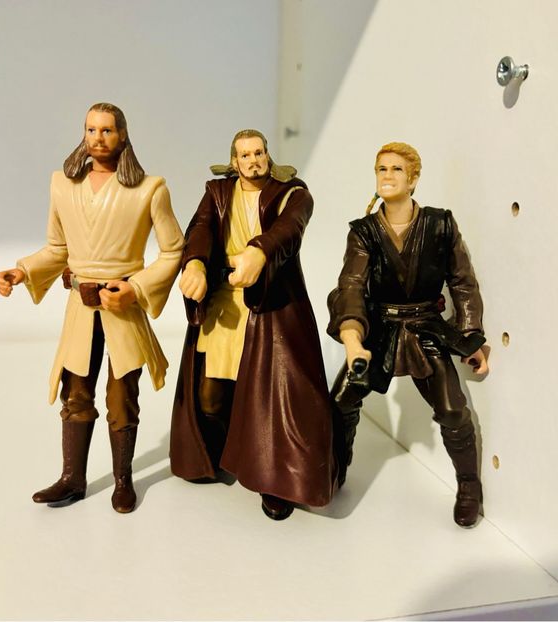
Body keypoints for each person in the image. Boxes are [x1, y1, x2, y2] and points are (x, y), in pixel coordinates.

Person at [0, 103, 184, 513]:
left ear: (122, 135)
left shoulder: (150, 189)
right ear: (84, 133)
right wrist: (23, 271)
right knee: (76, 391)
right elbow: (57, 248)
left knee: (122, 396)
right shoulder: (63, 185)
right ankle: (72, 478)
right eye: (91, 130)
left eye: (107, 130)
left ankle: (123, 480)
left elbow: (173, 251)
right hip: (80, 308)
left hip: (122, 307)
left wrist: (135, 288)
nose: (98, 138)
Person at [170, 129, 335, 520]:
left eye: (259, 152)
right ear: (234, 161)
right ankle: (228, 452)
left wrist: (260, 253)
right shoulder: (217, 192)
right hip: (225, 303)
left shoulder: (292, 193)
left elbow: (288, 229)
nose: (254, 160)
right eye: (245, 155)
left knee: (273, 395)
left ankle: (273, 477)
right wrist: (195, 263)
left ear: (267, 154)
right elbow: (201, 228)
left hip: (273, 304)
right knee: (211, 395)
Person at [327, 142, 488, 528]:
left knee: (452, 409)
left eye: (396, 169)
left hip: (425, 327)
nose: (387, 175)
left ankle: (469, 485)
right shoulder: (364, 231)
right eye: (381, 169)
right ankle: (337, 468)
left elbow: (462, 282)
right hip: (379, 328)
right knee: (341, 399)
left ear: (413, 179)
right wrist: (353, 339)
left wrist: (470, 337)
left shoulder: (440, 224)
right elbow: (351, 286)